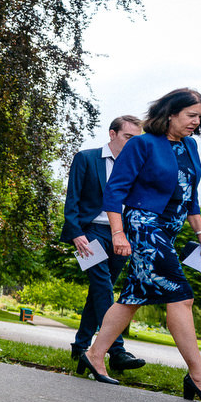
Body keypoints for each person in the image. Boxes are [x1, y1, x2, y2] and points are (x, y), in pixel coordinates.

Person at [83, 88, 201, 402]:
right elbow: (115, 191)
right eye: (191, 115)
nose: (196, 122)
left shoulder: (190, 147)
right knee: (182, 296)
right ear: (170, 113)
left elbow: (190, 197)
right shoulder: (142, 143)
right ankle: (199, 375)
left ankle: (94, 354)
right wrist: (118, 233)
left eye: (200, 118)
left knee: (132, 297)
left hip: (170, 228)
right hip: (143, 226)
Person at [60, 115, 146, 372]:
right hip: (89, 233)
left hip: (121, 235)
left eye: (136, 139)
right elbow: (72, 199)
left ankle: (80, 346)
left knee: (100, 290)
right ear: (112, 134)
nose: (132, 143)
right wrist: (76, 233)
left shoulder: (136, 167)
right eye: (128, 137)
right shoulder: (86, 158)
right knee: (102, 284)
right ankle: (116, 350)